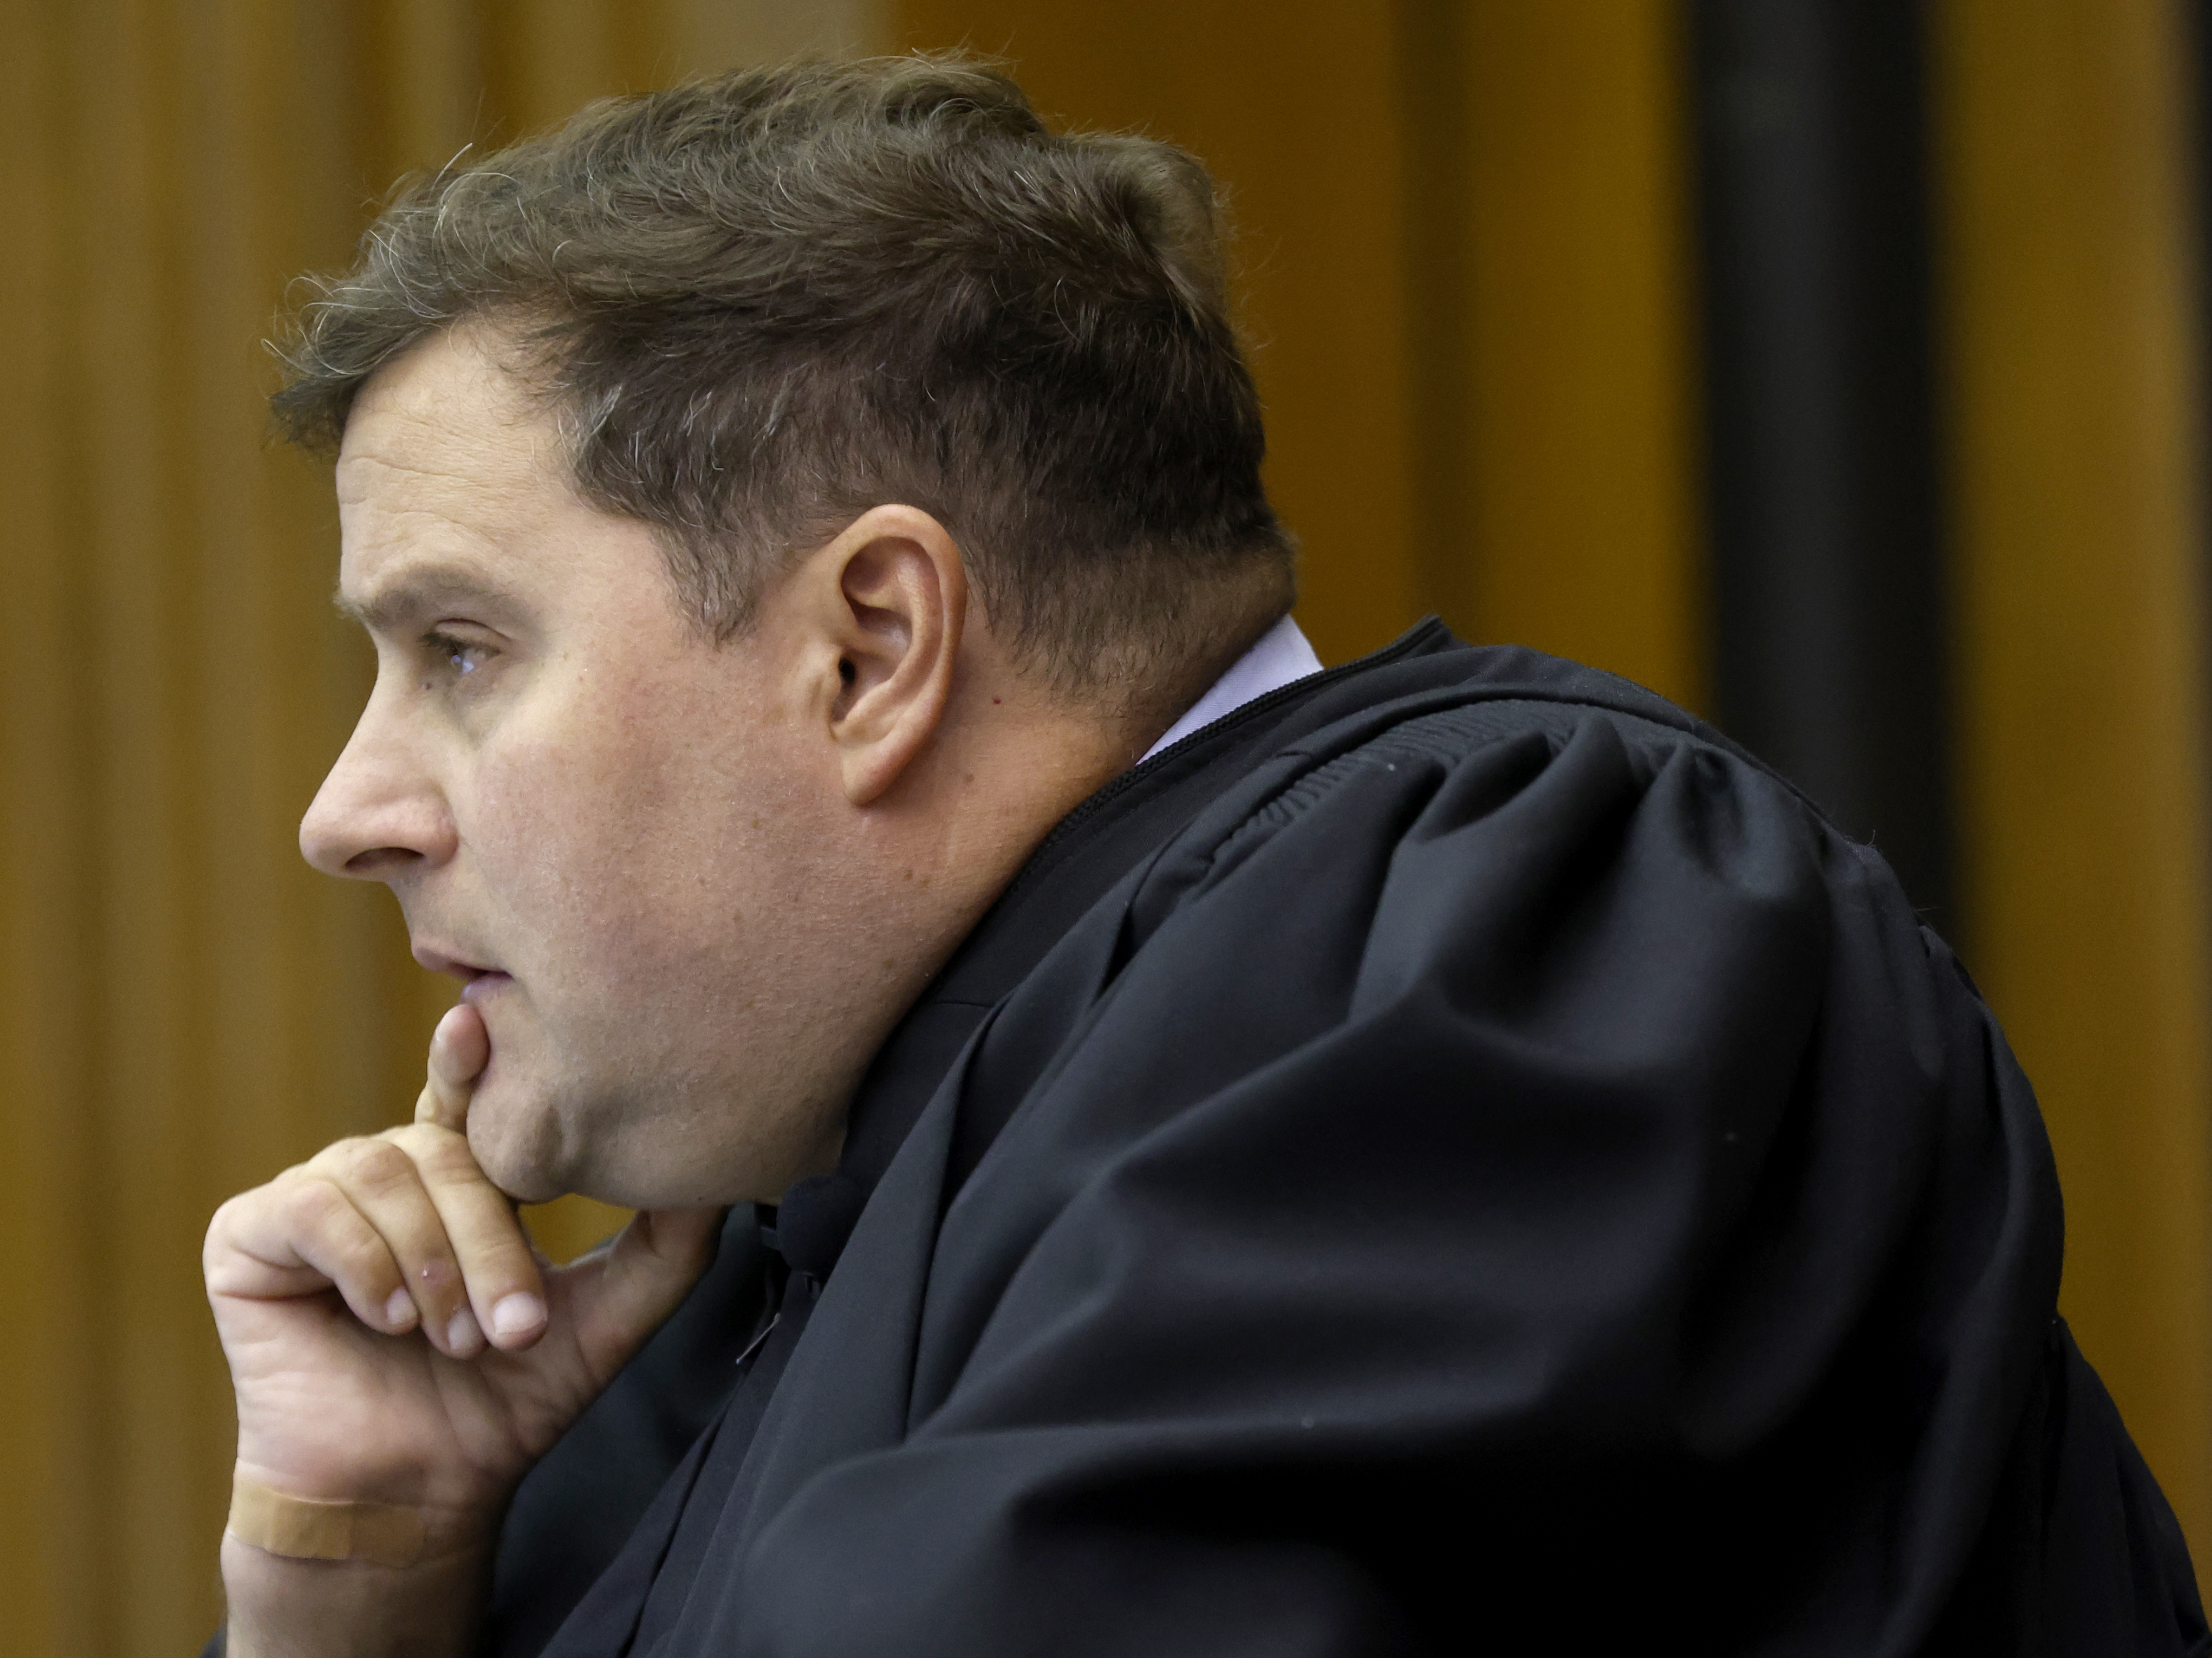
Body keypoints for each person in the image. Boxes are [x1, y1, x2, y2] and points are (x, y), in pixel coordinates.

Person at [200, 54, 2205, 1658]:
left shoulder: (1497, 907)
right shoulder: (735, 1269)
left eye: (460, 650)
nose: (345, 810)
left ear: (868, 651)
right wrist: (359, 1579)